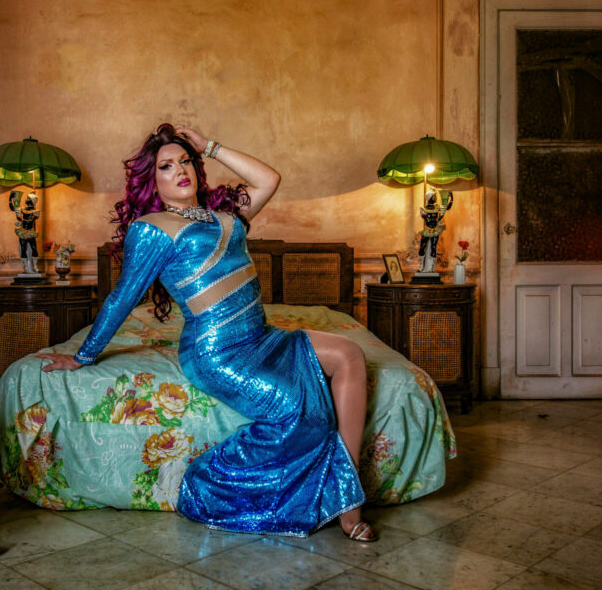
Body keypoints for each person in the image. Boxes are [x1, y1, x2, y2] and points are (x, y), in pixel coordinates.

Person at [39, 123, 376, 541]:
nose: (180, 170)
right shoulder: (153, 228)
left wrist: (211, 146)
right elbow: (121, 299)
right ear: (152, 179)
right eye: (166, 166)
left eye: (185, 161)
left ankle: (347, 485)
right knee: (298, 409)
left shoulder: (226, 217)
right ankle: (219, 486)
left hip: (263, 337)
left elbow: (269, 179)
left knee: (350, 355)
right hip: (217, 352)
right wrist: (82, 356)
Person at [10, 189, 40, 274]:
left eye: (28, 198)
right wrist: (11, 198)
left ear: (32, 201)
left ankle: (35, 266)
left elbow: (30, 221)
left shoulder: (36, 212)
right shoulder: (22, 209)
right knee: (23, 248)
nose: (26, 200)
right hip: (23, 232)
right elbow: (12, 208)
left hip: (31, 232)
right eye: (26, 198)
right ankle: (25, 266)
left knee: (34, 249)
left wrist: (21, 219)